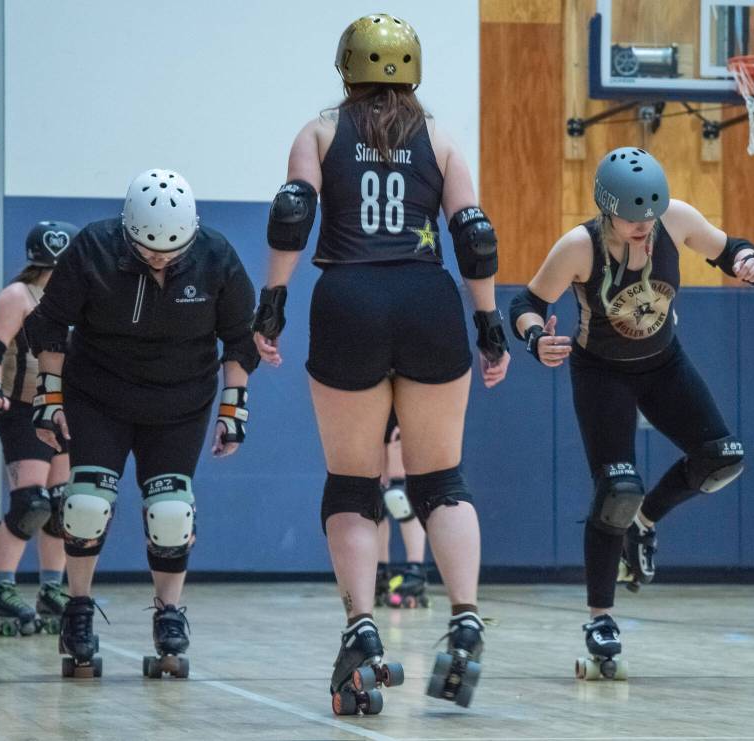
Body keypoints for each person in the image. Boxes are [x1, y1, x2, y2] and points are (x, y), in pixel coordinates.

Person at [252, 14, 510, 713]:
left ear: (348, 69)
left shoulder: (321, 131)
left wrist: (270, 303)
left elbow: (291, 216)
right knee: (440, 479)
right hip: (429, 301)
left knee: (352, 483)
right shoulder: (443, 137)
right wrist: (488, 323)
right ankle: (462, 618)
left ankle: (363, 627)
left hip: (349, 302)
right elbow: (476, 240)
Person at [509, 147, 754, 677]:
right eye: (633, 218)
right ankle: (600, 616)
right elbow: (526, 304)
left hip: (664, 364)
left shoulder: (672, 219)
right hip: (601, 372)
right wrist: (536, 339)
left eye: (652, 215)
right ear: (608, 208)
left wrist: (745, 259)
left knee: (723, 458)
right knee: (615, 491)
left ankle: (646, 522)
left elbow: (726, 246)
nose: (645, 227)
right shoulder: (579, 247)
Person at [23, 169, 259, 678]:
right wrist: (49, 396)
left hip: (180, 403)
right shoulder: (93, 248)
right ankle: (79, 609)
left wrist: (233, 408)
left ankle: (169, 615)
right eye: (150, 250)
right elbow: (48, 324)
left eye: (172, 252)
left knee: (172, 513)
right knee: (85, 505)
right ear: (128, 231)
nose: (161, 259)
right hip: (98, 395)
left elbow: (239, 338)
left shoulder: (216, 256)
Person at [0, 221, 77, 636]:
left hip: (63, 412)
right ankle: (2, 590)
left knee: (61, 505)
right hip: (22, 408)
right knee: (31, 503)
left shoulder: (76, 300)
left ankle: (52, 589)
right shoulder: (19, 296)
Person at [375, 411, 429, 609]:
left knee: (398, 495)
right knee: (374, 495)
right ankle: (380, 572)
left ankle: (416, 571)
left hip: (402, 395)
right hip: (372, 395)